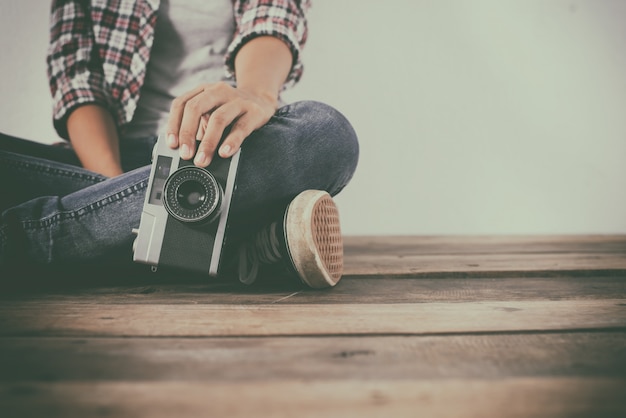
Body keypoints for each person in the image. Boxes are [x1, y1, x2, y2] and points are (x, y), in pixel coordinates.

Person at [0, 0, 359, 288]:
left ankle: (22, 242)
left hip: (224, 160)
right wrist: (115, 196)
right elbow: (77, 79)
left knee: (326, 132)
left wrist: (254, 93)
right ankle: (235, 247)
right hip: (114, 163)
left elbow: (273, 16)